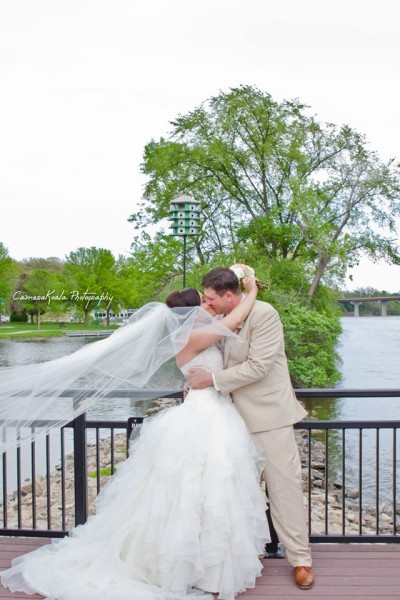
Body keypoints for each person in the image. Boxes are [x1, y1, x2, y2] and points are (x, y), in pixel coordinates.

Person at [1, 278, 270, 600]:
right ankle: (188, 569)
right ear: (189, 312)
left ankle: (211, 568)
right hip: (202, 418)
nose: (209, 305)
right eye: (204, 301)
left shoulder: (198, 334)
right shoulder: (192, 335)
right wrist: (252, 290)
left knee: (214, 492)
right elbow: (236, 319)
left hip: (215, 413)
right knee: (193, 492)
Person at [186, 267, 315, 590]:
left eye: (212, 298)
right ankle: (250, 552)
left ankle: (300, 560)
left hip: (268, 417)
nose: (208, 303)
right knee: (238, 492)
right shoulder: (220, 320)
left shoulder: (265, 314)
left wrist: (211, 381)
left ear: (229, 295)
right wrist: (196, 386)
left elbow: (259, 366)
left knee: (284, 490)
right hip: (229, 421)